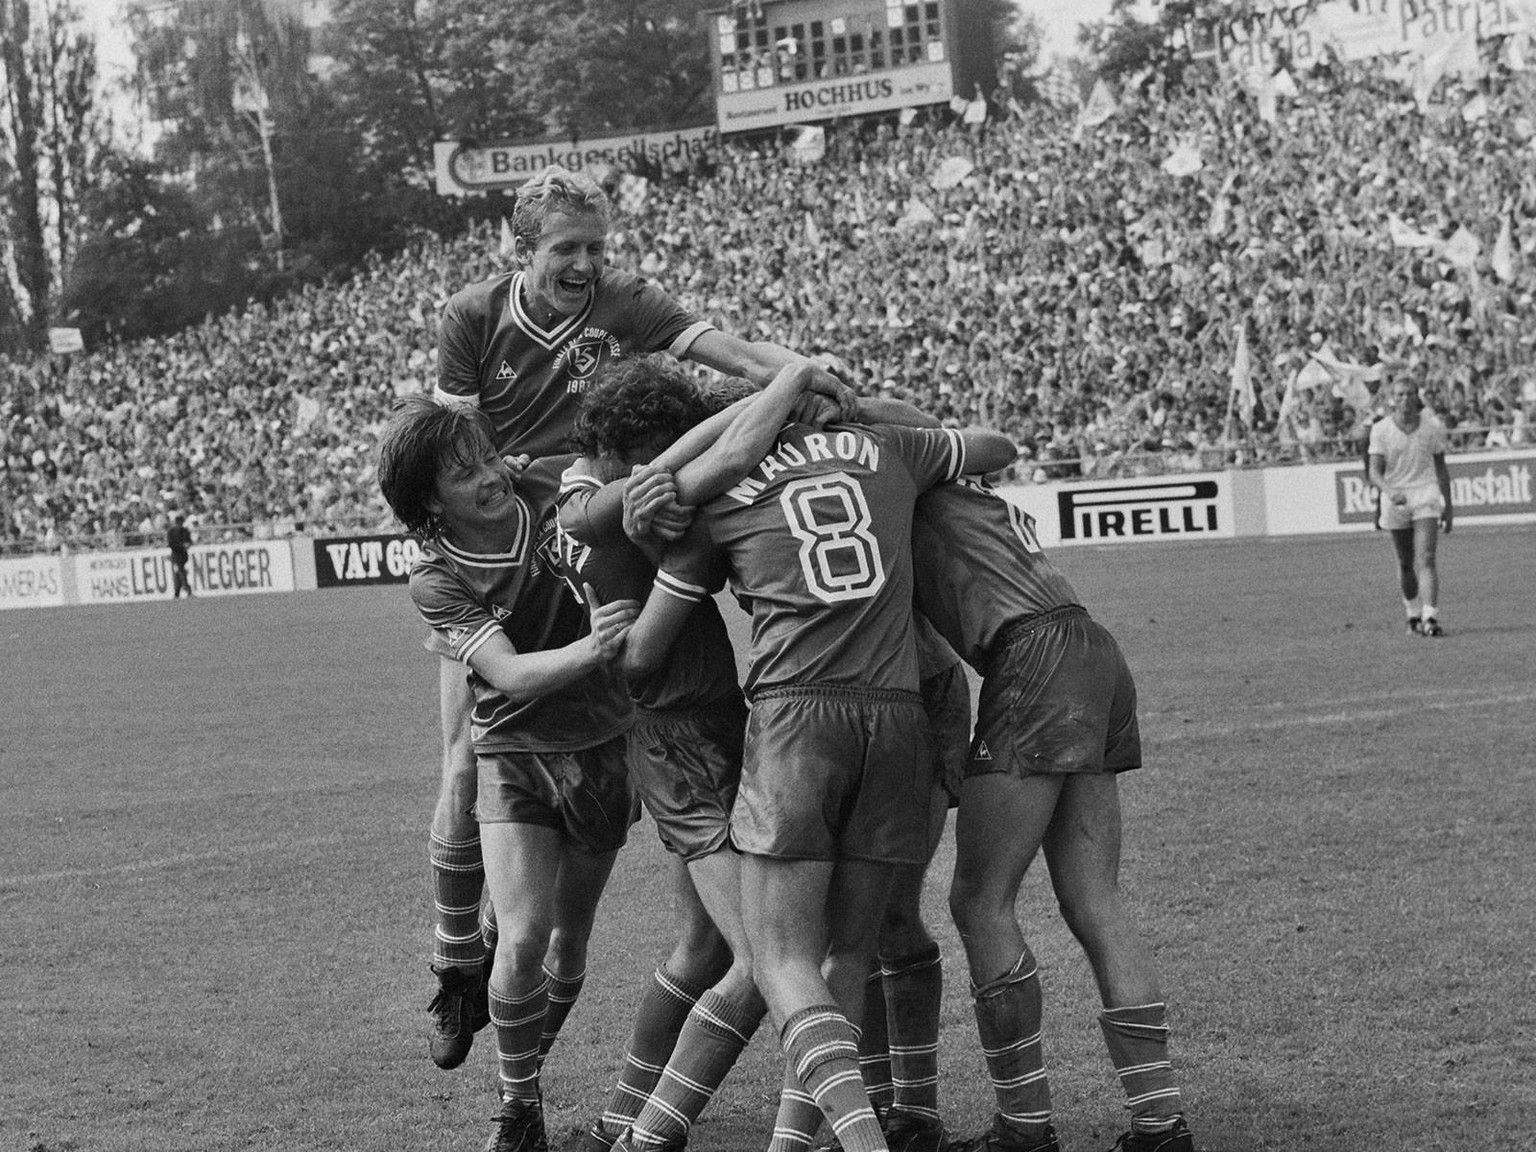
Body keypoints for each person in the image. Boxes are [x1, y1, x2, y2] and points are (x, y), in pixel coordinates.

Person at [423, 163, 849, 1069]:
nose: (584, 264)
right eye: (564, 249)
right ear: (520, 249)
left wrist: (808, 372)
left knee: (606, 723)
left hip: (595, 533)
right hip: (510, 551)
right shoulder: (471, 319)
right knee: (463, 754)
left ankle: (557, 964)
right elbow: (448, 446)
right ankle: (459, 959)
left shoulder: (628, 300)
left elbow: (733, 357)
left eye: (595, 248)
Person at [609, 377, 1016, 1152]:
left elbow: (644, 645)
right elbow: (997, 446)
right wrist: (857, 410)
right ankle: (789, 1143)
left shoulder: (715, 493)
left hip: (798, 721)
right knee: (850, 952)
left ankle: (850, 1141)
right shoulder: (887, 447)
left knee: (777, 957)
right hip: (903, 715)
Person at [556, 359, 831, 1152]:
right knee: (762, 955)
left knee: (703, 946)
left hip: (711, 725)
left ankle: (620, 1118)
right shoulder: (607, 515)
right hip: (677, 742)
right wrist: (784, 386)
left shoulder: (586, 493)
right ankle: (653, 1132)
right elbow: (640, 658)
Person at [898, 472, 1195, 1152]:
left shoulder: (896, 483)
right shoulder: (963, 488)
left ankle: (1024, 1129)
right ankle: (1160, 1124)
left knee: (979, 903)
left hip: (1031, 657)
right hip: (1091, 644)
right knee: (1096, 901)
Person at [378, 394, 644, 1152]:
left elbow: (635, 471)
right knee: (525, 937)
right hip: (515, 752)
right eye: (465, 472)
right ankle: (518, 1110)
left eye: (487, 456)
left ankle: (514, 1050)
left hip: (603, 746)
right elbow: (506, 673)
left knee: (568, 944)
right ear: (430, 499)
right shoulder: (436, 577)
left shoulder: (553, 487)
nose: (490, 475)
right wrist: (593, 650)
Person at [1367, 378, 1453, 637]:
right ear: (1393, 398)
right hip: (1396, 498)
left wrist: (1448, 506)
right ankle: (1412, 612)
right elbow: (1374, 471)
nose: (1405, 399)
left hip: (1425, 494)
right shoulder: (1381, 429)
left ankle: (1430, 616)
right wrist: (1390, 491)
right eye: (1400, 395)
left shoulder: (1432, 427)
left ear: (1417, 397)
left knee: (1426, 557)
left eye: (1409, 394)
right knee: (1405, 562)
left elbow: (1441, 467)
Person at [167, 516, 193, 599]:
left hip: (181, 554)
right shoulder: (173, 531)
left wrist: (187, 545)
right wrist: (183, 546)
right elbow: (171, 544)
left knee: (179, 572)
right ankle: (187, 589)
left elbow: (189, 541)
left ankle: (177, 593)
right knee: (181, 571)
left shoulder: (183, 531)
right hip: (178, 554)